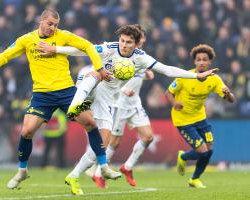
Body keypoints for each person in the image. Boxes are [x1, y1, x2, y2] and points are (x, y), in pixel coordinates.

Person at [38, 24, 219, 193]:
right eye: (122, 41)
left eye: (128, 42)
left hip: (108, 101)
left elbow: (167, 70)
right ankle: (74, 106)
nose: (124, 45)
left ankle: (73, 176)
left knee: (102, 145)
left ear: (136, 43)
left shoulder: (140, 57)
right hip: (90, 87)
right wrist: (55, 49)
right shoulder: (109, 47)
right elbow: (82, 50)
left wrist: (197, 75)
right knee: (93, 72)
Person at [0, 9, 119, 193]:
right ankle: (22, 171)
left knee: (91, 122)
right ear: (41, 21)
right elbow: (6, 54)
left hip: (67, 91)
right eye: (50, 24)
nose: (53, 28)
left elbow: (89, 46)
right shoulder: (26, 40)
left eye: (56, 25)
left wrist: (99, 68)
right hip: (42, 95)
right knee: (27, 131)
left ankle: (103, 166)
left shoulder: (63, 36)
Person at [90, 26, 155, 188]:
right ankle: (98, 174)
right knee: (114, 143)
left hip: (135, 104)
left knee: (148, 137)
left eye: (143, 38)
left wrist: (146, 75)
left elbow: (139, 74)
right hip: (119, 103)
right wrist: (124, 89)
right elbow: (116, 77)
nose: (143, 41)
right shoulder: (120, 55)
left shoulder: (141, 57)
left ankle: (127, 167)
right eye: (142, 38)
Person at [165, 44, 235, 188]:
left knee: (209, 150)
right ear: (194, 62)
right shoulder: (185, 77)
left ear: (210, 63)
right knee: (202, 151)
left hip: (200, 118)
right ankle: (183, 157)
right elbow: (168, 93)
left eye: (205, 60)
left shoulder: (214, 79)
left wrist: (228, 94)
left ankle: (194, 179)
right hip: (183, 119)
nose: (201, 62)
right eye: (198, 59)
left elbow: (231, 100)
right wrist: (174, 103)